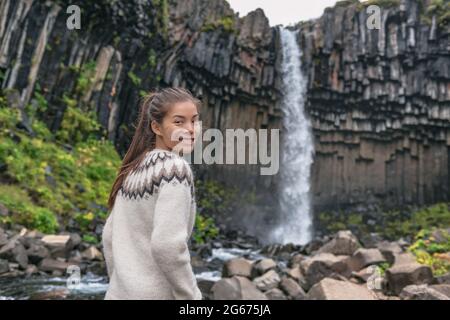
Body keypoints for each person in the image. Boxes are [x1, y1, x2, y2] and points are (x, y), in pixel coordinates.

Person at [102, 87, 203, 299]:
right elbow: (168, 245)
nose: (191, 129)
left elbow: (109, 237)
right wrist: (191, 297)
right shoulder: (175, 169)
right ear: (156, 127)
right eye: (179, 122)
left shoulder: (133, 169)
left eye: (194, 121)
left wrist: (122, 285)